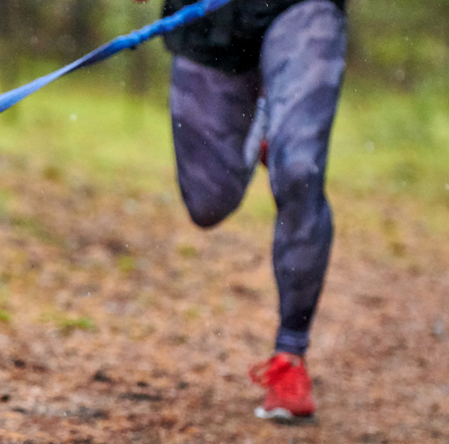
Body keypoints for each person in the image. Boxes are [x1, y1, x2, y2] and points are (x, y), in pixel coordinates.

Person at [136, 0, 347, 422]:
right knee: (207, 202)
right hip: (207, 19)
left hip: (300, 8)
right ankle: (268, 120)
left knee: (299, 169)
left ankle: (290, 354)